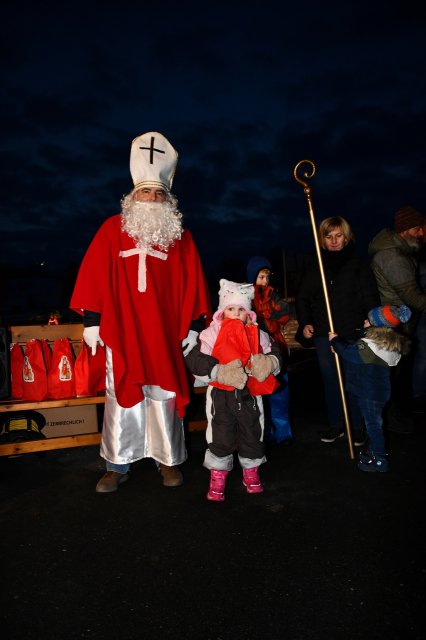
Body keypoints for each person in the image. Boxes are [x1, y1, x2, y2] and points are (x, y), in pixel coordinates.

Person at [70, 131, 211, 493]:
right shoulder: (111, 230)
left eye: (158, 193)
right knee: (121, 395)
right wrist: (92, 320)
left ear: (168, 199)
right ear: (133, 196)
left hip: (164, 332)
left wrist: (194, 325)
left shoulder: (180, 237)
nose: (152, 198)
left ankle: (168, 460)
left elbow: (194, 282)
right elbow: (93, 275)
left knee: (163, 393)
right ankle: (117, 464)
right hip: (123, 329)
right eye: (145, 192)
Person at [184, 279, 282, 501]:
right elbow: (195, 359)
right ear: (222, 311)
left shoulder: (257, 333)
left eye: (241, 310)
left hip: (250, 395)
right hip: (221, 394)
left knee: (252, 433)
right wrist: (218, 371)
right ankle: (218, 476)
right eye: (231, 309)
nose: (236, 314)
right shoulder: (211, 333)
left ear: (249, 313)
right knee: (220, 435)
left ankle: (251, 473)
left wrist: (269, 363)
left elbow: (274, 351)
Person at [295, 216, 381, 445]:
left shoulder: (358, 264)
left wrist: (370, 319)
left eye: (338, 235)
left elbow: (370, 296)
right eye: (328, 236)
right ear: (322, 239)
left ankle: (357, 426)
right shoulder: (316, 266)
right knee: (331, 380)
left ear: (346, 237)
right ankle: (336, 424)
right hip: (325, 332)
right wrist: (305, 323)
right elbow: (302, 298)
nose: (333, 241)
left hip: (352, 331)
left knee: (353, 378)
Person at [329, 304, 411, 472]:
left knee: (373, 425)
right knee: (374, 423)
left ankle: (379, 459)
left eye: (369, 321)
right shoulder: (385, 346)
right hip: (378, 393)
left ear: (378, 327)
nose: (365, 321)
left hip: (369, 393)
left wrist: (335, 340)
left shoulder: (370, 346)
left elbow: (351, 353)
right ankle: (374, 451)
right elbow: (354, 352)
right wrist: (339, 347)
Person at [369, 205, 426, 418]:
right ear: (406, 229)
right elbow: (411, 296)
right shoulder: (392, 256)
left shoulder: (402, 251)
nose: (421, 233)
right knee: (390, 374)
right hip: (392, 324)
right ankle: (389, 417)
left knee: (396, 372)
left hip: (399, 321)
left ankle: (393, 413)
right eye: (417, 228)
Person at [246, 256, 293, 444]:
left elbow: (284, 314)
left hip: (275, 347)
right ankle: (260, 434)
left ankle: (282, 433)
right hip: (254, 350)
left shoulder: (273, 295)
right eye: (260, 277)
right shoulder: (245, 296)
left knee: (280, 392)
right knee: (257, 395)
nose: (264, 281)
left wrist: (271, 309)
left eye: (266, 277)